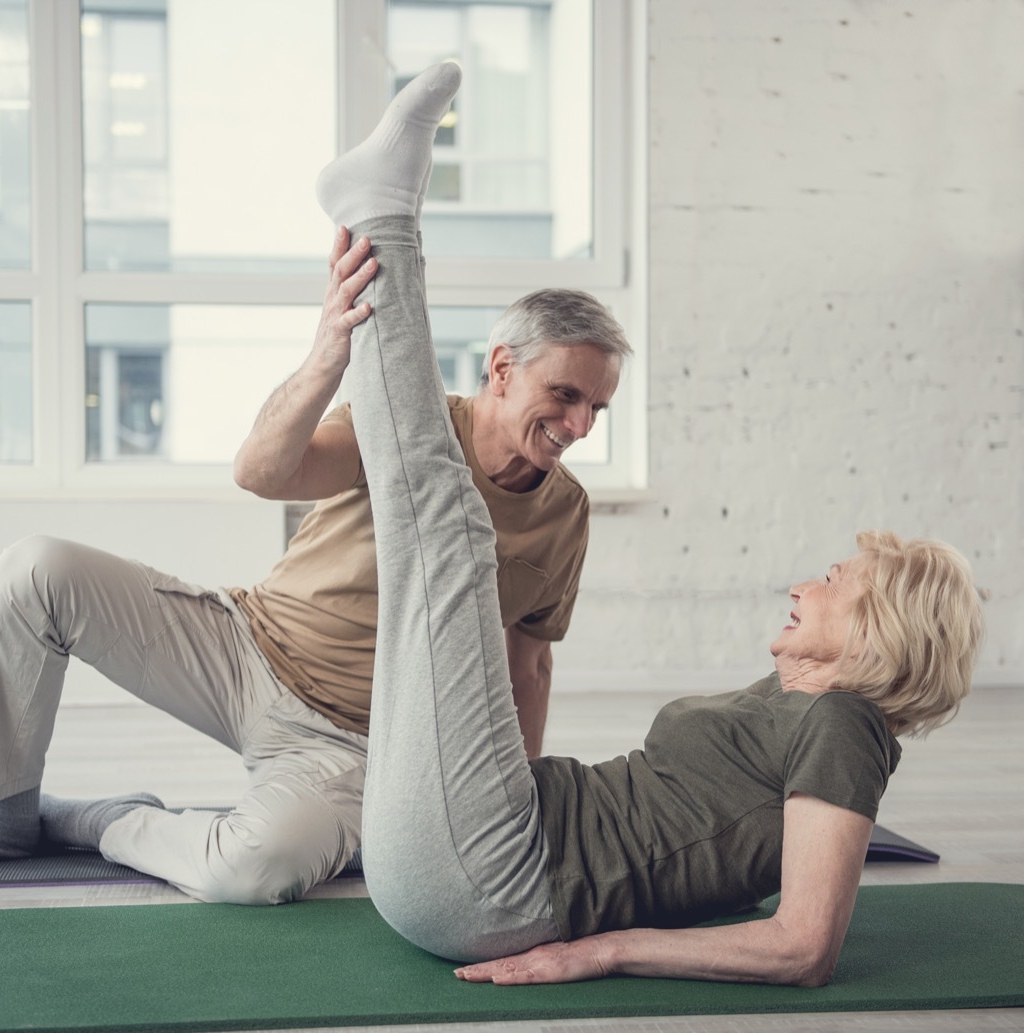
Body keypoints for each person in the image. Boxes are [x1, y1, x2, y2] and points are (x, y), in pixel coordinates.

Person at [0, 62, 630, 908]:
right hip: (244, 650)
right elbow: (261, 472)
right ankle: (0, 811)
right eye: (566, 395)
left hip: (357, 744)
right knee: (30, 571)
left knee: (251, 869)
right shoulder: (407, 421)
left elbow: (529, 664)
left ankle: (99, 818)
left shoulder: (566, 513)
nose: (581, 424)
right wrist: (329, 351)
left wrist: (496, 809)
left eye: (597, 405)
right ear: (502, 369)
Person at [314, 65, 987, 984]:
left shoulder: (846, 726)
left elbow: (805, 947)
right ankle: (376, 218)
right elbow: (745, 832)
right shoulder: (800, 703)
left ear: (878, 630)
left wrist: (603, 948)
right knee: (421, 563)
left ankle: (382, 216)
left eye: (834, 583)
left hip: (495, 881)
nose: (802, 584)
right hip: (478, 845)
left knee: (453, 538)